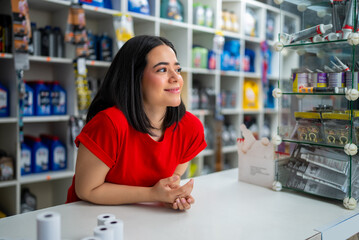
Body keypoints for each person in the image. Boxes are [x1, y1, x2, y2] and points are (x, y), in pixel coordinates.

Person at [66, 35, 207, 211]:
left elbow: (170, 179)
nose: (175, 78)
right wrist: (154, 194)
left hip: (144, 221)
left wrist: (171, 194)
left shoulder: (190, 127)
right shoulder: (108, 124)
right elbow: (87, 190)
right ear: (135, 78)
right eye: (162, 70)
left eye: (177, 69)